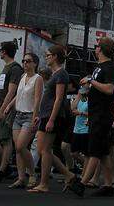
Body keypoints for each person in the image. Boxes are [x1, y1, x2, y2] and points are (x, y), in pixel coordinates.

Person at [72, 37, 114, 197]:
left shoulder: (110, 67)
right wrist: (88, 85)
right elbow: (99, 88)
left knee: (94, 151)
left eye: (97, 46)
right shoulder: (98, 67)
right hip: (95, 114)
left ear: (102, 49)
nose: (95, 48)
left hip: (102, 115)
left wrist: (92, 81)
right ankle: (108, 186)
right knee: (104, 152)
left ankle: (82, 183)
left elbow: (109, 89)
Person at [28, 45, 76, 193]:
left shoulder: (61, 74)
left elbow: (59, 98)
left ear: (55, 56)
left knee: (45, 150)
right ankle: (69, 175)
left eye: (48, 55)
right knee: (44, 150)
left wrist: (51, 120)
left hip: (52, 116)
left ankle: (45, 183)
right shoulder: (56, 74)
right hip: (47, 115)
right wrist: (41, 117)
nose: (46, 57)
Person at [0, 41, 23, 182]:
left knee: (6, 139)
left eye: (1, 49)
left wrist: (2, 110)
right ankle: (7, 167)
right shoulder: (6, 67)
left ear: (4, 52)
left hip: (5, 109)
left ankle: (2, 170)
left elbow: (12, 92)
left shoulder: (15, 68)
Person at [7, 52, 43, 188]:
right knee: (18, 149)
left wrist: (34, 117)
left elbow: (37, 99)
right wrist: (10, 105)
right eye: (24, 61)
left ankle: (32, 174)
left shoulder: (37, 78)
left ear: (35, 63)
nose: (25, 63)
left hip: (29, 115)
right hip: (18, 115)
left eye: (28, 61)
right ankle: (21, 178)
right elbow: (18, 94)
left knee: (20, 146)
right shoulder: (23, 76)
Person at [71, 84, 90, 175]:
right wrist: (79, 95)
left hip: (86, 129)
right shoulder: (80, 97)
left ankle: (85, 174)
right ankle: (89, 167)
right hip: (77, 128)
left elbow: (93, 113)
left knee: (86, 153)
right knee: (74, 153)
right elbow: (72, 107)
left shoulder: (91, 98)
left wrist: (80, 113)